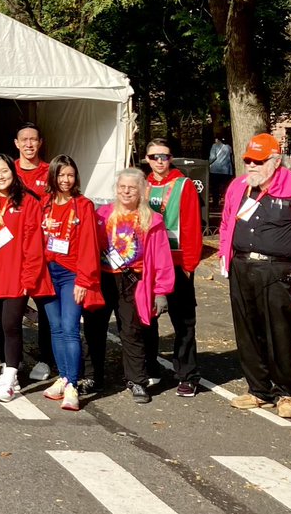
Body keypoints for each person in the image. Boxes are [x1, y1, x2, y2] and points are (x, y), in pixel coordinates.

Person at [219, 133, 291, 419]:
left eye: (258, 161)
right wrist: (224, 256)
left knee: (280, 333)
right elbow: (227, 223)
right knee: (248, 331)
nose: (251, 166)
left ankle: (285, 393)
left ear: (275, 161)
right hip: (242, 267)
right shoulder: (238, 188)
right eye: (247, 160)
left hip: (279, 271)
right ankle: (258, 390)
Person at [96, 168, 174, 404]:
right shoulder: (103, 215)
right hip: (104, 277)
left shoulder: (152, 220)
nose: (126, 191)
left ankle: (137, 380)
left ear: (141, 191)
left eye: (131, 187)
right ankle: (92, 376)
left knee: (131, 331)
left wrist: (161, 292)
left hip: (134, 281)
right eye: (122, 187)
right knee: (95, 328)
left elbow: (162, 258)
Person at [0, 154, 53, 403]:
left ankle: (10, 378)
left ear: (13, 172)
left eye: (5, 171)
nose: (0, 176)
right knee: (1, 325)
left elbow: (33, 244)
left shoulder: (28, 202)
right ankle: (8, 370)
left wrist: (29, 278)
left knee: (12, 325)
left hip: (16, 274)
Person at [144, 139, 204, 397]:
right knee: (148, 319)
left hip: (177, 261)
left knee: (183, 321)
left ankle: (187, 374)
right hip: (149, 263)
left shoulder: (184, 185)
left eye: (164, 156)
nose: (159, 161)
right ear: (146, 158)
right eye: (154, 156)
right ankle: (150, 367)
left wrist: (190, 263)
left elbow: (192, 226)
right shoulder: (141, 184)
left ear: (171, 159)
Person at [41, 155, 101, 408]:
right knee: (55, 328)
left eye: (70, 175)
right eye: (61, 175)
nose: (65, 180)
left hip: (71, 274)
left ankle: (73, 384)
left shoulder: (83, 205)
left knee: (70, 328)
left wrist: (84, 280)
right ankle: (64, 377)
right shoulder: (44, 204)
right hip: (47, 271)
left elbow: (90, 244)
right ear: (53, 176)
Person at [13, 122, 56, 383]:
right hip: (11, 251)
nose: (29, 144)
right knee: (11, 307)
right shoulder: (8, 171)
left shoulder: (51, 171)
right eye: (24, 139)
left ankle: (45, 358)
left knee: (45, 307)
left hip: (44, 250)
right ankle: (13, 358)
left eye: (33, 140)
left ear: (40, 143)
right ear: (16, 144)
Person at [209, 135, 234, 206]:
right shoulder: (228, 147)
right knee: (225, 187)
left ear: (217, 139)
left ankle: (215, 202)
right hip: (226, 170)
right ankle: (225, 201)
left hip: (215, 170)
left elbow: (213, 157)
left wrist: (208, 163)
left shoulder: (215, 146)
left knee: (215, 187)